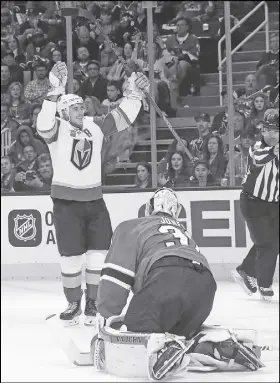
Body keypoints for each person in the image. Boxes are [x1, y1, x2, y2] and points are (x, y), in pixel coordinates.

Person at [36, 61, 149, 326]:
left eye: (81, 107)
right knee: (71, 256)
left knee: (98, 254)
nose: (80, 110)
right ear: (64, 111)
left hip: (95, 201)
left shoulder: (94, 125)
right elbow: (42, 123)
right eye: (74, 108)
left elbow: (122, 117)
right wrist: (54, 91)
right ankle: (73, 301)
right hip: (66, 203)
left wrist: (134, 94)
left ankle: (92, 302)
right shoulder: (57, 130)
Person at [96, 187, 217, 338]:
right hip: (205, 288)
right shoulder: (184, 232)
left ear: (148, 208)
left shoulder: (132, 226)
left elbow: (116, 276)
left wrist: (106, 314)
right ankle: (208, 348)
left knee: (137, 333)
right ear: (176, 211)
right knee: (177, 336)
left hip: (166, 278)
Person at [231, 109, 279, 301]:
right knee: (267, 244)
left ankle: (246, 270)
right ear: (262, 130)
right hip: (253, 203)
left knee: (271, 242)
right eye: (268, 129)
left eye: (276, 130)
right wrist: (274, 150)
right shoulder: (256, 147)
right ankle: (264, 285)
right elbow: (259, 158)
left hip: (274, 203)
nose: (272, 134)